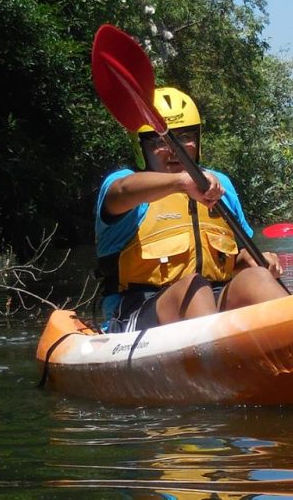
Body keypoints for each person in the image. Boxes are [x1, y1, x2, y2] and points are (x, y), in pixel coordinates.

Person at [95, 86, 282, 332]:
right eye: (158, 141)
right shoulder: (125, 185)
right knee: (194, 287)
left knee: (257, 278)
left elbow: (238, 255)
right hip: (137, 311)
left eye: (185, 137)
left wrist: (258, 262)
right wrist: (181, 182)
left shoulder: (220, 185)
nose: (175, 150)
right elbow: (122, 192)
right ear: (140, 147)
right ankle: (219, 362)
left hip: (211, 306)